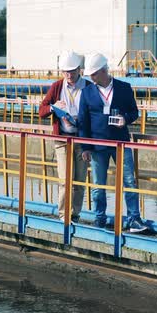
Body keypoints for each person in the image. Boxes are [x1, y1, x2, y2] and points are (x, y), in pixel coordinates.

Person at [77, 53, 148, 233]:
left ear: (103, 71)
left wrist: (125, 119)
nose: (91, 78)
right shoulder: (87, 93)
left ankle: (134, 219)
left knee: (129, 181)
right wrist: (85, 147)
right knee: (98, 185)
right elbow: (83, 122)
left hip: (120, 143)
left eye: (94, 74)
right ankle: (100, 218)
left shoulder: (124, 88)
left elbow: (134, 112)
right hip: (97, 145)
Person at [39, 51, 90, 223]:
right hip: (62, 140)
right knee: (64, 180)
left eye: (72, 71)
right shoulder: (57, 87)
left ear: (79, 70)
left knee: (79, 180)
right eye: (65, 72)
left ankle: (75, 214)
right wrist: (53, 107)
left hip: (82, 141)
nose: (68, 75)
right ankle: (63, 215)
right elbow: (42, 110)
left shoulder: (88, 87)